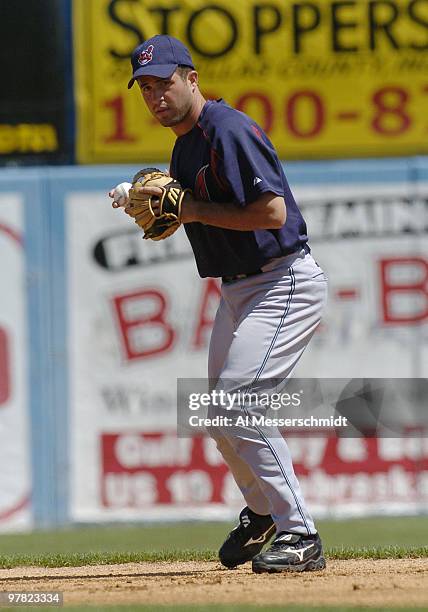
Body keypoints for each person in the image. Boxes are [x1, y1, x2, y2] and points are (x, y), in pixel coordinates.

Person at [119, 34, 328, 573]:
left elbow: (272, 214)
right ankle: (261, 514)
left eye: (164, 82)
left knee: (239, 404)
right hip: (238, 288)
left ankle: (300, 533)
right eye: (145, 88)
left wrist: (188, 208)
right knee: (219, 413)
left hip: (281, 280)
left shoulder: (227, 129)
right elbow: (190, 209)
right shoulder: (183, 144)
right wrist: (168, 209)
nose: (155, 96)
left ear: (191, 78)